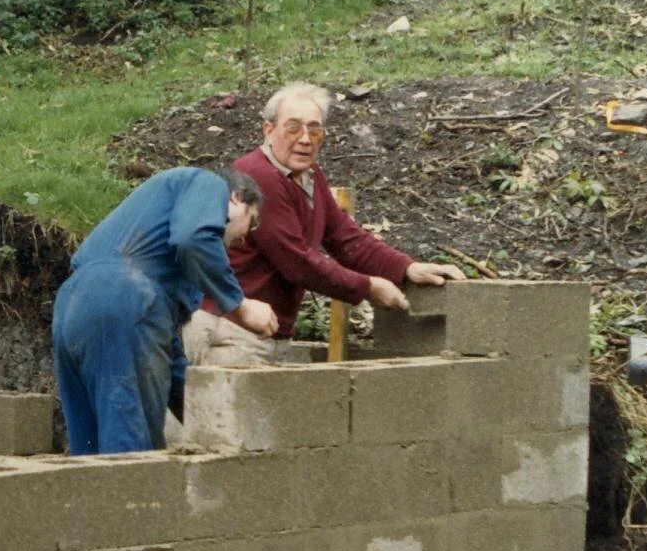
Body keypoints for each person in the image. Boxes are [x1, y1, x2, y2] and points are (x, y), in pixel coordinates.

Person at [183, 82, 467, 367]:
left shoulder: (310, 175)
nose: (305, 139)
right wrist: (367, 286)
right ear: (268, 130)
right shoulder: (259, 175)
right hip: (231, 326)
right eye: (293, 128)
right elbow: (297, 262)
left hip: (263, 331)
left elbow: (345, 236)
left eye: (314, 130)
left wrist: (405, 268)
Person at [53, 166, 275, 454]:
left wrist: (219, 426)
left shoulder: (163, 251)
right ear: (235, 198)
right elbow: (193, 238)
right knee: (129, 453)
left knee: (88, 449)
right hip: (125, 301)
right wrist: (241, 306)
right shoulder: (207, 183)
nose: (244, 240)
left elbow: (170, 361)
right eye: (252, 223)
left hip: (72, 307)